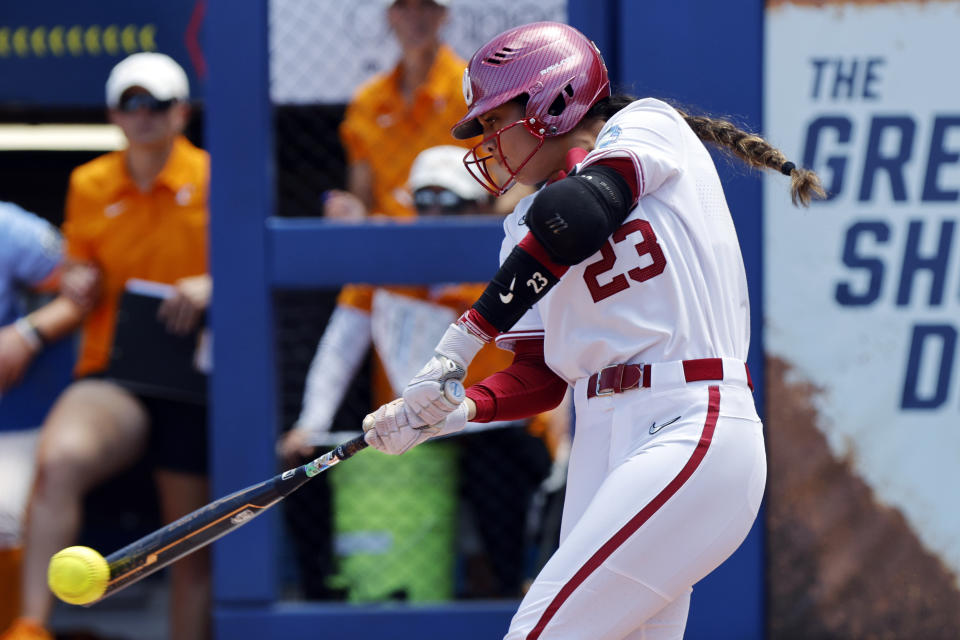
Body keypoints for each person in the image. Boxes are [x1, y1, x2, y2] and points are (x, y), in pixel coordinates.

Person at [361, 21, 825, 639]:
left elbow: (577, 213)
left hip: (686, 419)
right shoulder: (519, 227)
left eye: (496, 121)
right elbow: (540, 374)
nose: (488, 143)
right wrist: (451, 411)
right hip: (602, 443)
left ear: (552, 101)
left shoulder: (646, 127)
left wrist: (458, 345)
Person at [280, 145, 559, 599]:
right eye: (423, 199)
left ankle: (508, 596)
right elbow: (339, 348)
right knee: (308, 461)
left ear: (481, 208)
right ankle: (330, 594)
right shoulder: (384, 266)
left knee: (499, 473)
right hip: (410, 425)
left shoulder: (508, 262)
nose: (434, 212)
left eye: (449, 202)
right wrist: (310, 425)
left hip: (495, 423)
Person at [1, 52, 212, 640]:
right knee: (60, 459)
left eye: (156, 104)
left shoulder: (218, 178)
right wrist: (71, 281)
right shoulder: (88, 184)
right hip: (115, 376)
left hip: (196, 381)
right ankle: (30, 628)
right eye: (130, 104)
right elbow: (79, 280)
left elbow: (253, 270)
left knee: (188, 542)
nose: (142, 116)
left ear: (182, 113)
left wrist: (213, 283)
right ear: (113, 114)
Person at [324, 0, 528, 220]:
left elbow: (520, 187)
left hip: (457, 235)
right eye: (403, 6)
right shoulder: (367, 102)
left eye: (426, 5)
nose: (415, 16)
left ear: (443, 13)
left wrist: (472, 223)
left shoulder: (477, 91)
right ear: (390, 15)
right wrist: (351, 212)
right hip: (387, 238)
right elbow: (361, 198)